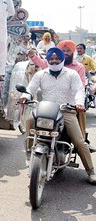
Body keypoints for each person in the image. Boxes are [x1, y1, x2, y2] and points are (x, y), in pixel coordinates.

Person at [20, 47, 96, 184]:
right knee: (30, 121)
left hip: (66, 110)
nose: (54, 61)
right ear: (48, 60)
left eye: (57, 58)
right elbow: (31, 88)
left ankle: (91, 171)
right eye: (51, 59)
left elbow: (79, 90)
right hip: (46, 109)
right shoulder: (41, 74)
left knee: (79, 141)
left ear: (62, 59)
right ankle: (28, 154)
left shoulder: (72, 74)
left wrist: (79, 103)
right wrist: (25, 96)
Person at [28, 40, 96, 152]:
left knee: (80, 120)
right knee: (31, 120)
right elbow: (41, 63)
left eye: (68, 50)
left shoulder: (77, 67)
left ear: (73, 52)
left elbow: (81, 86)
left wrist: (78, 101)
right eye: (63, 50)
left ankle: (84, 144)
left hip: (71, 104)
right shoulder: (53, 64)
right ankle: (29, 149)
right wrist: (33, 56)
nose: (65, 53)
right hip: (49, 107)